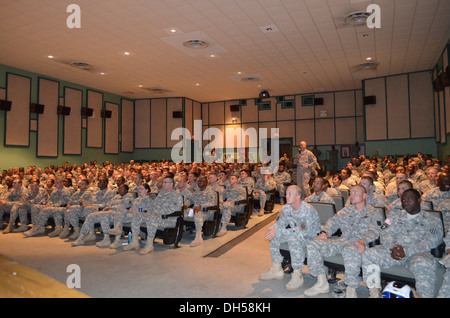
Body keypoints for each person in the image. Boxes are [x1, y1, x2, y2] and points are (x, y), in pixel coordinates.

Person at [304, 185, 383, 298]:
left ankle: (351, 288)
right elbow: (333, 221)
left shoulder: (374, 212)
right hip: (343, 241)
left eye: (356, 192)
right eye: (351, 193)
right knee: (313, 244)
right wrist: (325, 232)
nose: (352, 195)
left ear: (365, 195)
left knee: (350, 249)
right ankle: (321, 282)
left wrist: (363, 241)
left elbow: (375, 231)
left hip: (358, 244)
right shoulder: (346, 210)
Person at [361, 189, 443, 298]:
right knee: (369, 254)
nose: (406, 202)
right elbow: (385, 232)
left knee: (424, 264)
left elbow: (432, 241)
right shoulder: (396, 216)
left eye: (409, 199)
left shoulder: (432, 219)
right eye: (403, 200)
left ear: (419, 200)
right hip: (393, 251)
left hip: (417, 254)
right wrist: (392, 247)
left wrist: (407, 251)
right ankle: (374, 293)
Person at [260, 185, 320, 290]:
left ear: (298, 196)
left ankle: (297, 274)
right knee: (275, 235)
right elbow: (280, 223)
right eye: (286, 193)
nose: (286, 196)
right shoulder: (287, 207)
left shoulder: (306, 210)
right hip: (296, 233)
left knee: (293, 239)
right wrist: (273, 228)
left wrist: (278, 230)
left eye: (289, 194)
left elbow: (302, 232)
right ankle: (277, 268)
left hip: (311, 237)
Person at [124, 176, 183, 254]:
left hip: (167, 219)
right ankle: (135, 242)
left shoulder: (176, 195)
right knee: (137, 215)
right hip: (155, 216)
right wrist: (147, 211)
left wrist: (156, 212)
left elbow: (176, 209)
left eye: (166, 182)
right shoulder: (161, 194)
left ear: (171, 184)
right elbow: (153, 206)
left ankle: (149, 245)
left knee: (152, 217)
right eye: (163, 182)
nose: (163, 184)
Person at [64, 176, 117, 240]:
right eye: (98, 181)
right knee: (72, 208)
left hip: (100, 210)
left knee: (88, 208)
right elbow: (90, 200)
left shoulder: (110, 192)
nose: (98, 183)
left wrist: (92, 205)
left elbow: (106, 205)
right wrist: (84, 203)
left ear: (105, 183)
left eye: (100, 182)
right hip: (90, 207)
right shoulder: (96, 191)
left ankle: (91, 233)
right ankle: (76, 230)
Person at [108, 183, 154, 248]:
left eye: (142, 189)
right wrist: (130, 209)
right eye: (139, 189)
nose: (139, 190)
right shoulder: (136, 199)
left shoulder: (149, 200)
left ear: (146, 190)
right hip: (131, 215)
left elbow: (148, 212)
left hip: (140, 216)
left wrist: (137, 211)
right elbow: (131, 207)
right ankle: (117, 231)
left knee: (120, 218)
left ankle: (117, 238)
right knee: (120, 209)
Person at [184, 176, 218, 247]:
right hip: (194, 211)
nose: (199, 183)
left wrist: (201, 206)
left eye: (201, 181)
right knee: (183, 212)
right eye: (198, 181)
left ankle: (198, 237)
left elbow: (211, 203)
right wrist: (186, 205)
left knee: (198, 213)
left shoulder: (211, 192)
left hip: (206, 212)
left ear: (206, 183)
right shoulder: (197, 191)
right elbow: (191, 200)